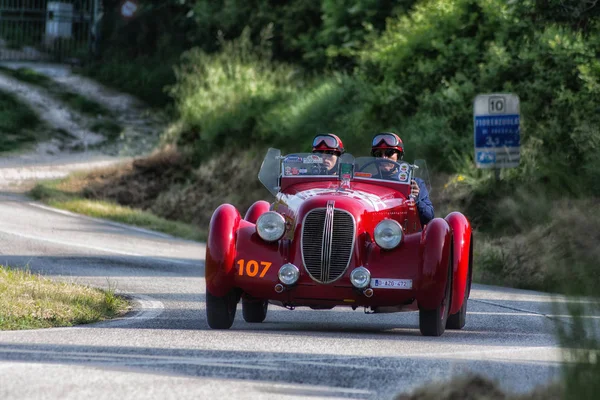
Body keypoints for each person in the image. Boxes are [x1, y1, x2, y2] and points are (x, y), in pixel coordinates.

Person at [371, 132, 434, 226]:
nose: (383, 158)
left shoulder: (414, 183)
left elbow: (429, 217)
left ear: (399, 156)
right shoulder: (369, 182)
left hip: (403, 233)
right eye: (378, 154)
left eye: (389, 153)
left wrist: (415, 199)